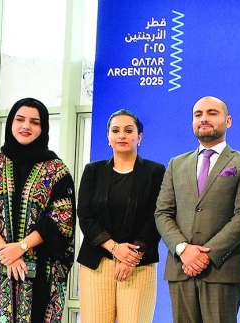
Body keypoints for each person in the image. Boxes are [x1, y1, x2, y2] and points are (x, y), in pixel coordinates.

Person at [0, 98, 76, 322]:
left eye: (35, 122)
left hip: (39, 272)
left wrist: (22, 247)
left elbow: (61, 221)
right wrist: (7, 252)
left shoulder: (57, 171)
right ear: (10, 123)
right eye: (20, 119)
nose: (26, 126)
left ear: (43, 128)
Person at [154, 96, 240, 323]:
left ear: (228, 121)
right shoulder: (176, 164)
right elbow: (162, 213)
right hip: (180, 269)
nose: (204, 119)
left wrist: (205, 255)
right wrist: (184, 250)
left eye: (212, 113)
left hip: (221, 269)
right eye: (198, 114)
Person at [77, 109, 166, 322]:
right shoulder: (93, 171)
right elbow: (85, 215)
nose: (122, 136)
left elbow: (156, 217)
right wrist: (115, 248)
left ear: (139, 137)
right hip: (97, 262)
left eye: (128, 130)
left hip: (138, 263)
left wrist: (131, 257)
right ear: (108, 137)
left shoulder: (155, 171)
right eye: (115, 131)